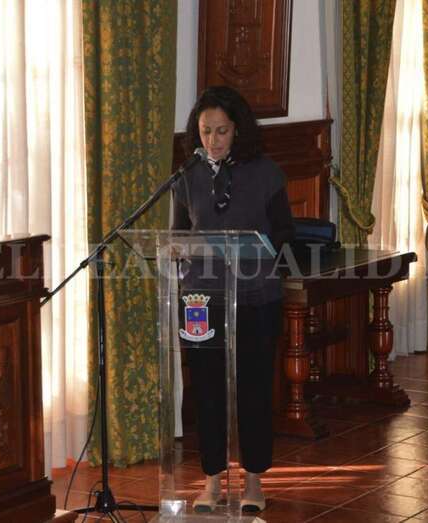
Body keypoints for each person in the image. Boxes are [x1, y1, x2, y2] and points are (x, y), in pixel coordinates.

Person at [170, 86, 294, 514]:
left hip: (255, 297)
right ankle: (211, 481)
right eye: (205, 132)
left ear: (238, 130)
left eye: (221, 131)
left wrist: (251, 249)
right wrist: (175, 249)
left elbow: (282, 233)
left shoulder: (266, 173)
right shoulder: (187, 175)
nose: (213, 141)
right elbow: (180, 234)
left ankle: (254, 481)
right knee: (206, 390)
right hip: (201, 298)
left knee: (254, 389)